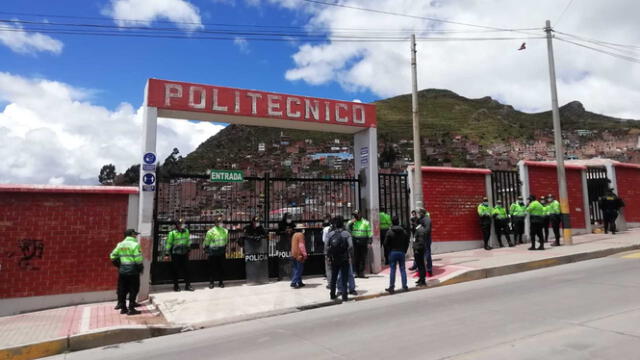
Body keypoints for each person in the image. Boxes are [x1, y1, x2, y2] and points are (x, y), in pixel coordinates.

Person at [110, 229, 143, 315]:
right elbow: (138, 259)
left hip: (123, 271)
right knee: (134, 289)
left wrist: (119, 265)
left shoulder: (120, 244)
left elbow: (112, 256)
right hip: (133, 271)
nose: (136, 236)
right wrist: (140, 267)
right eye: (135, 234)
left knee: (123, 289)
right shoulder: (135, 245)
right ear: (132, 235)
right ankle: (131, 308)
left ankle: (123, 308)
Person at [326, 216, 353, 301]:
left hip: (334, 259)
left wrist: (328, 256)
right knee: (344, 278)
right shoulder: (346, 233)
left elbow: (326, 247)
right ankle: (344, 296)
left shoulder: (330, 234)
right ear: (342, 224)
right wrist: (347, 253)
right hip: (344, 258)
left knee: (334, 277)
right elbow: (351, 246)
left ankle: (332, 295)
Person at [164, 219, 193, 292]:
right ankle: (176, 286)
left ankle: (188, 285)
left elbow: (188, 240)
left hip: (184, 253)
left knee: (187, 270)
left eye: (183, 223)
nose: (182, 225)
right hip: (176, 254)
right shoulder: (172, 233)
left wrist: (189, 249)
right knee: (175, 270)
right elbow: (169, 243)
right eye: (181, 224)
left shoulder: (186, 231)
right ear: (177, 225)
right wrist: (166, 254)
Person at [384, 216, 410, 294]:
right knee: (402, 269)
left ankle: (391, 287)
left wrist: (389, 251)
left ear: (392, 222)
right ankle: (404, 286)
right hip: (401, 252)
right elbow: (407, 242)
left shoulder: (389, 232)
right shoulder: (404, 231)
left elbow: (385, 243)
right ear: (398, 222)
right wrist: (404, 250)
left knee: (392, 270)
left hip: (393, 252)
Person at [204, 215, 229, 289]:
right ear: (215, 223)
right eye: (219, 222)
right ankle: (211, 283)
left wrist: (225, 248)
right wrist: (206, 249)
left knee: (221, 267)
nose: (220, 223)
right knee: (212, 268)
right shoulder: (210, 231)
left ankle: (221, 282)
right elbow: (207, 242)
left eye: (221, 222)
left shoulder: (225, 231)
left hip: (221, 251)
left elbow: (226, 241)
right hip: (213, 252)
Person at [347, 210, 372, 278]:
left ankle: (361, 273)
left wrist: (369, 242)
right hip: (354, 241)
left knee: (362, 258)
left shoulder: (366, 222)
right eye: (354, 215)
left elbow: (369, 232)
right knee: (355, 257)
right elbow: (347, 229)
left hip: (363, 241)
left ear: (360, 214)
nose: (355, 216)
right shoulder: (352, 222)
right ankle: (355, 272)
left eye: (356, 215)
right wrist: (351, 223)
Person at [413, 208, 432, 286]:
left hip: (423, 241)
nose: (418, 214)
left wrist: (420, 233)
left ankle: (428, 270)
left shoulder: (427, 220)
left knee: (424, 257)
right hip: (419, 241)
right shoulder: (421, 219)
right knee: (419, 261)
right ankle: (421, 277)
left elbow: (426, 231)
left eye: (419, 213)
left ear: (422, 213)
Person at [276, 212, 296, 281]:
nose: (289, 219)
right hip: (283, 244)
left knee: (291, 259)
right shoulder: (281, 223)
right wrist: (285, 231)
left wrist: (292, 231)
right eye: (288, 218)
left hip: (291, 243)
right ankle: (281, 275)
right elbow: (277, 232)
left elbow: (295, 230)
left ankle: (291, 274)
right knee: (282, 259)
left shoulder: (292, 223)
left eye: (290, 218)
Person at [321, 214, 333, 288]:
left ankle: (330, 283)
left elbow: (323, 240)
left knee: (328, 267)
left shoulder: (325, 229)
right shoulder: (335, 227)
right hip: (336, 248)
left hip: (328, 248)